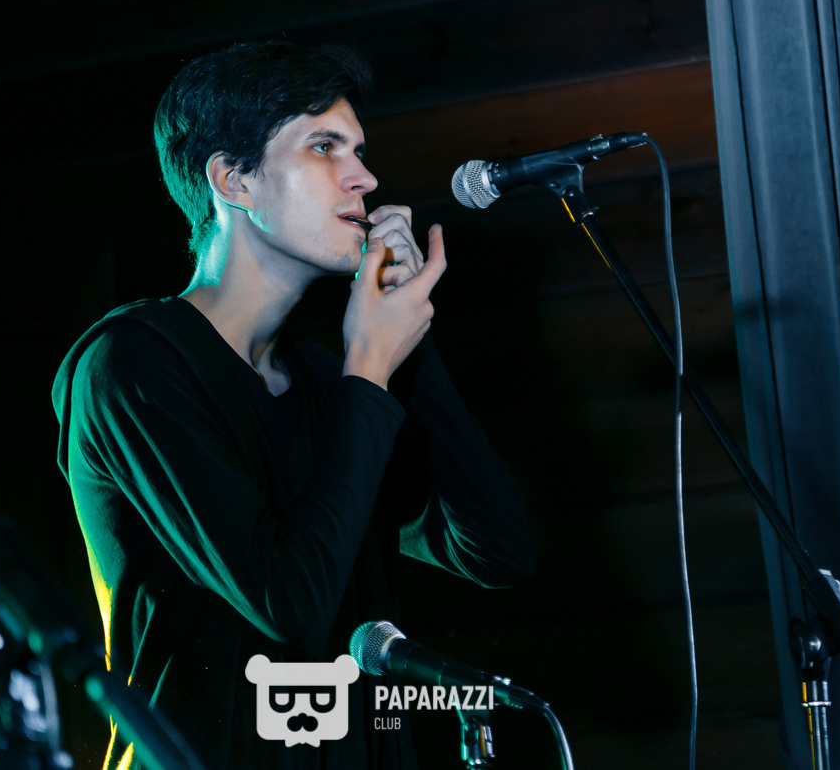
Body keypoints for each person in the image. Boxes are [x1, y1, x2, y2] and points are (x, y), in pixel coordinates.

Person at [52, 41, 534, 770]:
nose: (365, 177)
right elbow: (289, 602)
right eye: (323, 147)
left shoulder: (330, 380)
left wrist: (409, 344)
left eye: (358, 151)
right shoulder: (134, 363)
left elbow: (498, 552)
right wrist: (369, 365)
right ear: (234, 179)